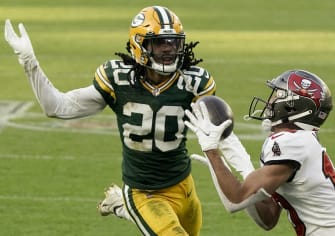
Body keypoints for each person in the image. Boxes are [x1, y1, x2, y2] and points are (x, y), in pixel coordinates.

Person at [4, 5, 254, 235]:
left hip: (183, 184)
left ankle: (121, 207)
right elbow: (56, 107)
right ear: (140, 45)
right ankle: (128, 204)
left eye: (173, 42)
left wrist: (248, 173)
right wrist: (29, 62)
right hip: (144, 191)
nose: (168, 48)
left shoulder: (193, 82)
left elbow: (222, 134)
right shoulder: (119, 80)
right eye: (159, 42)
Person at [185, 69, 335, 236]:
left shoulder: (291, 143)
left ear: (294, 106)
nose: (270, 101)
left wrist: (212, 152)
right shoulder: (299, 141)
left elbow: (235, 200)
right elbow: (267, 217)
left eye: (278, 94)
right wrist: (233, 153)